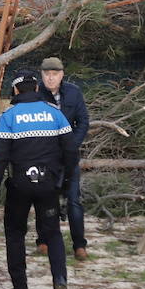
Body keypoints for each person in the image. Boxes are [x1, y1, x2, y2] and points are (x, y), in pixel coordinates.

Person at [0, 70, 76, 289]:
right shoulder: (55, 113)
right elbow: (70, 152)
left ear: (15, 90)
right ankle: (60, 284)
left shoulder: (9, 116)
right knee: (53, 234)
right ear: (37, 88)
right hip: (48, 185)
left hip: (19, 186)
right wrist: (65, 184)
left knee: (15, 233)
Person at [36, 56, 91, 261]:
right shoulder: (35, 94)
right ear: (41, 75)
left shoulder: (74, 93)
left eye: (55, 74)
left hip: (69, 157)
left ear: (62, 75)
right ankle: (43, 240)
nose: (51, 79)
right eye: (47, 74)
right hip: (43, 156)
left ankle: (79, 245)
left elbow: (83, 121)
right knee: (44, 199)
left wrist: (71, 145)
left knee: (74, 201)